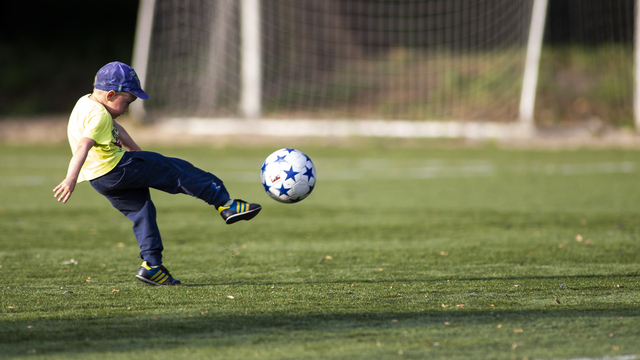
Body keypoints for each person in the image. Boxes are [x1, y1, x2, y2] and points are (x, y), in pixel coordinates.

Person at [53, 61, 261, 286]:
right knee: (174, 168)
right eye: (128, 102)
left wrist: (137, 153)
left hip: (99, 179)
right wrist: (70, 178)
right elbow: (84, 145)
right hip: (117, 169)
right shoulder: (99, 116)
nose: (127, 109)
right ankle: (224, 203)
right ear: (111, 95)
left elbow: (115, 129)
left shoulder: (85, 103)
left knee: (142, 212)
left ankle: (152, 266)